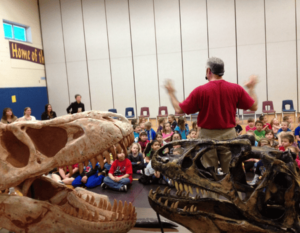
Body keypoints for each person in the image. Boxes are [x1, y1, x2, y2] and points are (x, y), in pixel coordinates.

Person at [164, 57, 257, 174]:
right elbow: (254, 107)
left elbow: (178, 109)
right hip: (229, 135)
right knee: (231, 171)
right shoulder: (235, 88)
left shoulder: (200, 91)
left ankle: (212, 193)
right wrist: (251, 88)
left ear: (208, 71)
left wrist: (171, 93)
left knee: (210, 173)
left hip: (207, 136)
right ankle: (232, 192)